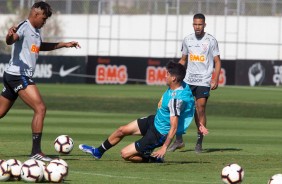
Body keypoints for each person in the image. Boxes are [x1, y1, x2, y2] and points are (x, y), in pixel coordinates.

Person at [79, 61, 208, 163]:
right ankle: (98, 152)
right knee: (122, 130)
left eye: (167, 74)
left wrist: (164, 147)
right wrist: (199, 124)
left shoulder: (176, 99)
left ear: (174, 78)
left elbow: (174, 127)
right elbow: (193, 106)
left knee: (125, 154)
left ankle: (154, 158)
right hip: (154, 120)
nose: (165, 76)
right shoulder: (184, 86)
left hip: (159, 134)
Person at [0, 1, 80, 161]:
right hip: (19, 75)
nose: (45, 22)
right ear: (35, 14)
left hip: (11, 75)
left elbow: (39, 46)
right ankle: (36, 152)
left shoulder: (35, 31)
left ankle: (36, 151)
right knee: (40, 108)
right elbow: (11, 40)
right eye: (43, 18)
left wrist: (63, 44)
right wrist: (9, 35)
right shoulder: (24, 27)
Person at [168, 13, 221, 153]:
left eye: (200, 24)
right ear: (193, 24)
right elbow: (183, 59)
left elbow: (217, 61)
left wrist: (215, 78)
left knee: (201, 107)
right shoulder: (187, 40)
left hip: (204, 79)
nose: (197, 27)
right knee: (179, 107)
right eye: (195, 24)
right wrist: (175, 73)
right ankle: (178, 140)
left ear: (204, 25)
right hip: (188, 79)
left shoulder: (211, 40)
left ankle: (199, 142)